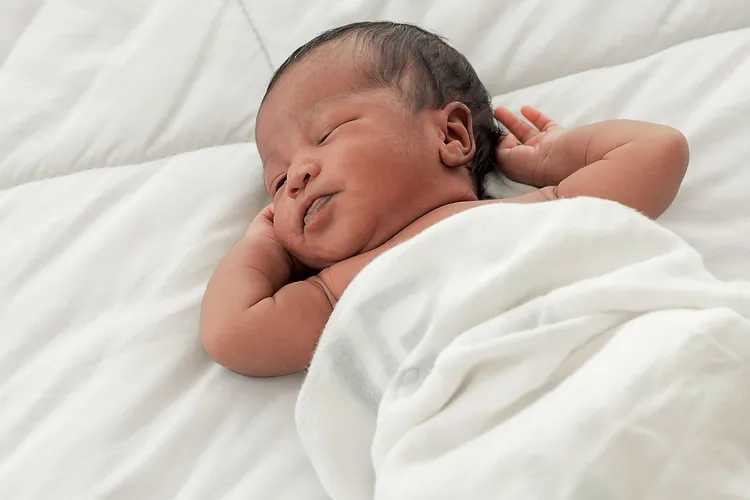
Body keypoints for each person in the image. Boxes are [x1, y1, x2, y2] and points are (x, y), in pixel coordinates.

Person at [200, 22, 689, 377]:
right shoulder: (334, 294)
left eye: (327, 134)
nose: (298, 177)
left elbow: (657, 151)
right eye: (278, 181)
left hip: (625, 373)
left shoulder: (538, 210)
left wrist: (548, 160)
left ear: (452, 135)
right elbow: (233, 334)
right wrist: (262, 245)